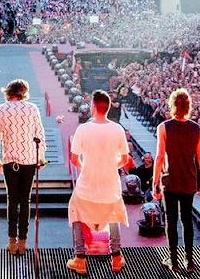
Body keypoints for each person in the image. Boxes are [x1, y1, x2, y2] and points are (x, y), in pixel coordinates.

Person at [67, 89, 129, 275]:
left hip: (88, 183)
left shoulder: (83, 129)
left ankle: (80, 258)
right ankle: (116, 257)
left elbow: (74, 158)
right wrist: (111, 165)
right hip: (110, 183)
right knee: (113, 215)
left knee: (76, 211)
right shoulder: (117, 129)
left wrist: (85, 167)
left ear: (93, 107)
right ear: (108, 107)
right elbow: (125, 159)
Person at [153, 87, 200, 274]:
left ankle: (174, 260)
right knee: (187, 220)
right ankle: (190, 261)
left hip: (170, 180)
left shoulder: (164, 127)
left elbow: (160, 157)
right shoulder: (196, 129)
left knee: (171, 220)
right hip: (189, 180)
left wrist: (155, 183)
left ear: (172, 105)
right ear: (188, 107)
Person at [0, 78, 46, 255]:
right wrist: (41, 157)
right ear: (24, 93)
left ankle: (11, 241)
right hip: (29, 160)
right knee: (25, 200)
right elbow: (40, 134)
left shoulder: (0, 109)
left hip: (9, 161)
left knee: (12, 201)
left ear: (8, 93)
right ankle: (23, 242)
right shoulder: (32, 108)